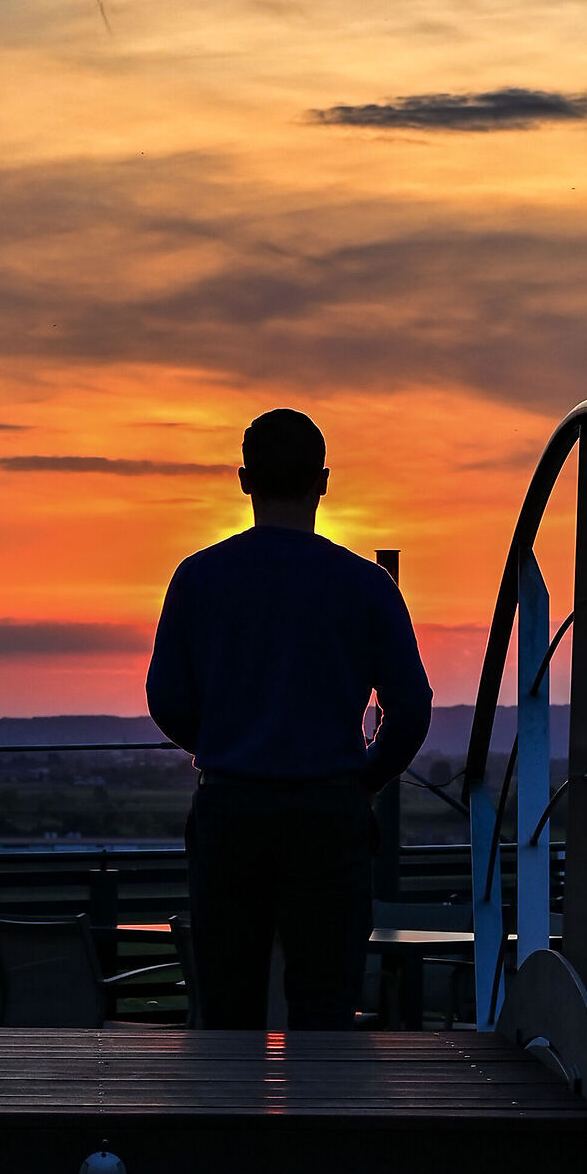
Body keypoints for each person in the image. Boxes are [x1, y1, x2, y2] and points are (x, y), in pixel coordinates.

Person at [145, 409, 432, 1029]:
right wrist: (363, 778)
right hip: (328, 819)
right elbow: (411, 708)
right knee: (326, 1013)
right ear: (322, 482)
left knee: (226, 1013)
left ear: (244, 480)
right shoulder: (365, 584)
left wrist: (226, 742)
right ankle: (319, 1123)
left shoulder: (198, 578)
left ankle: (233, 1125)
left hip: (230, 815)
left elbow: (165, 698)